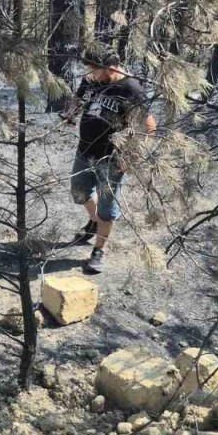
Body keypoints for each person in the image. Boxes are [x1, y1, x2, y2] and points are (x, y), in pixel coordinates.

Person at [66, 45, 155, 274]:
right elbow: (79, 99)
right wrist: (71, 111)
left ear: (110, 67)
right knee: (79, 192)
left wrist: (132, 155)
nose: (88, 73)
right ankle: (94, 221)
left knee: (107, 207)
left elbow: (148, 126)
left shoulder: (130, 88)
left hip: (112, 158)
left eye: (93, 68)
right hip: (85, 150)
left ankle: (99, 250)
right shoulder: (90, 79)